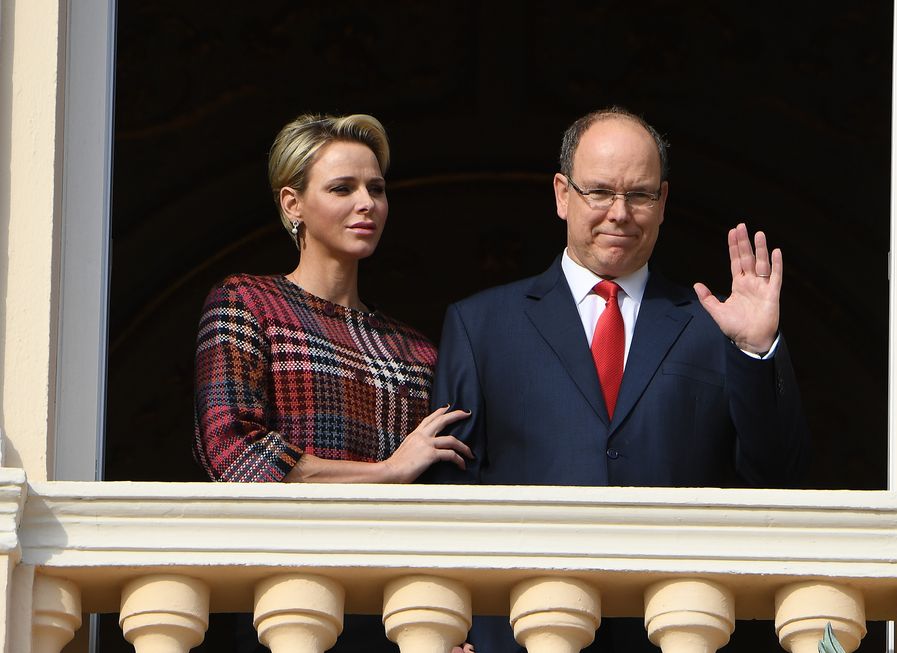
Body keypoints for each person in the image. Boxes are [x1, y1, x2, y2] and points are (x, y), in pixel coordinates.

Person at [421, 107, 808, 652]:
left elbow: (777, 479)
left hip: (675, 630)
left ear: (664, 202)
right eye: (599, 191)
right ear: (562, 194)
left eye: (641, 195)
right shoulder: (482, 324)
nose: (620, 213)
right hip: (524, 631)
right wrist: (447, 626)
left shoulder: (716, 323)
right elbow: (451, 489)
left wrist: (755, 348)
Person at [193, 113, 473, 653]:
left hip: (399, 614)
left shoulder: (418, 351)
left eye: (377, 188)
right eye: (342, 188)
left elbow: (450, 495)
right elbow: (237, 458)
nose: (367, 203)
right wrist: (388, 473)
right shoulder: (247, 303)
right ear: (292, 204)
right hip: (286, 603)